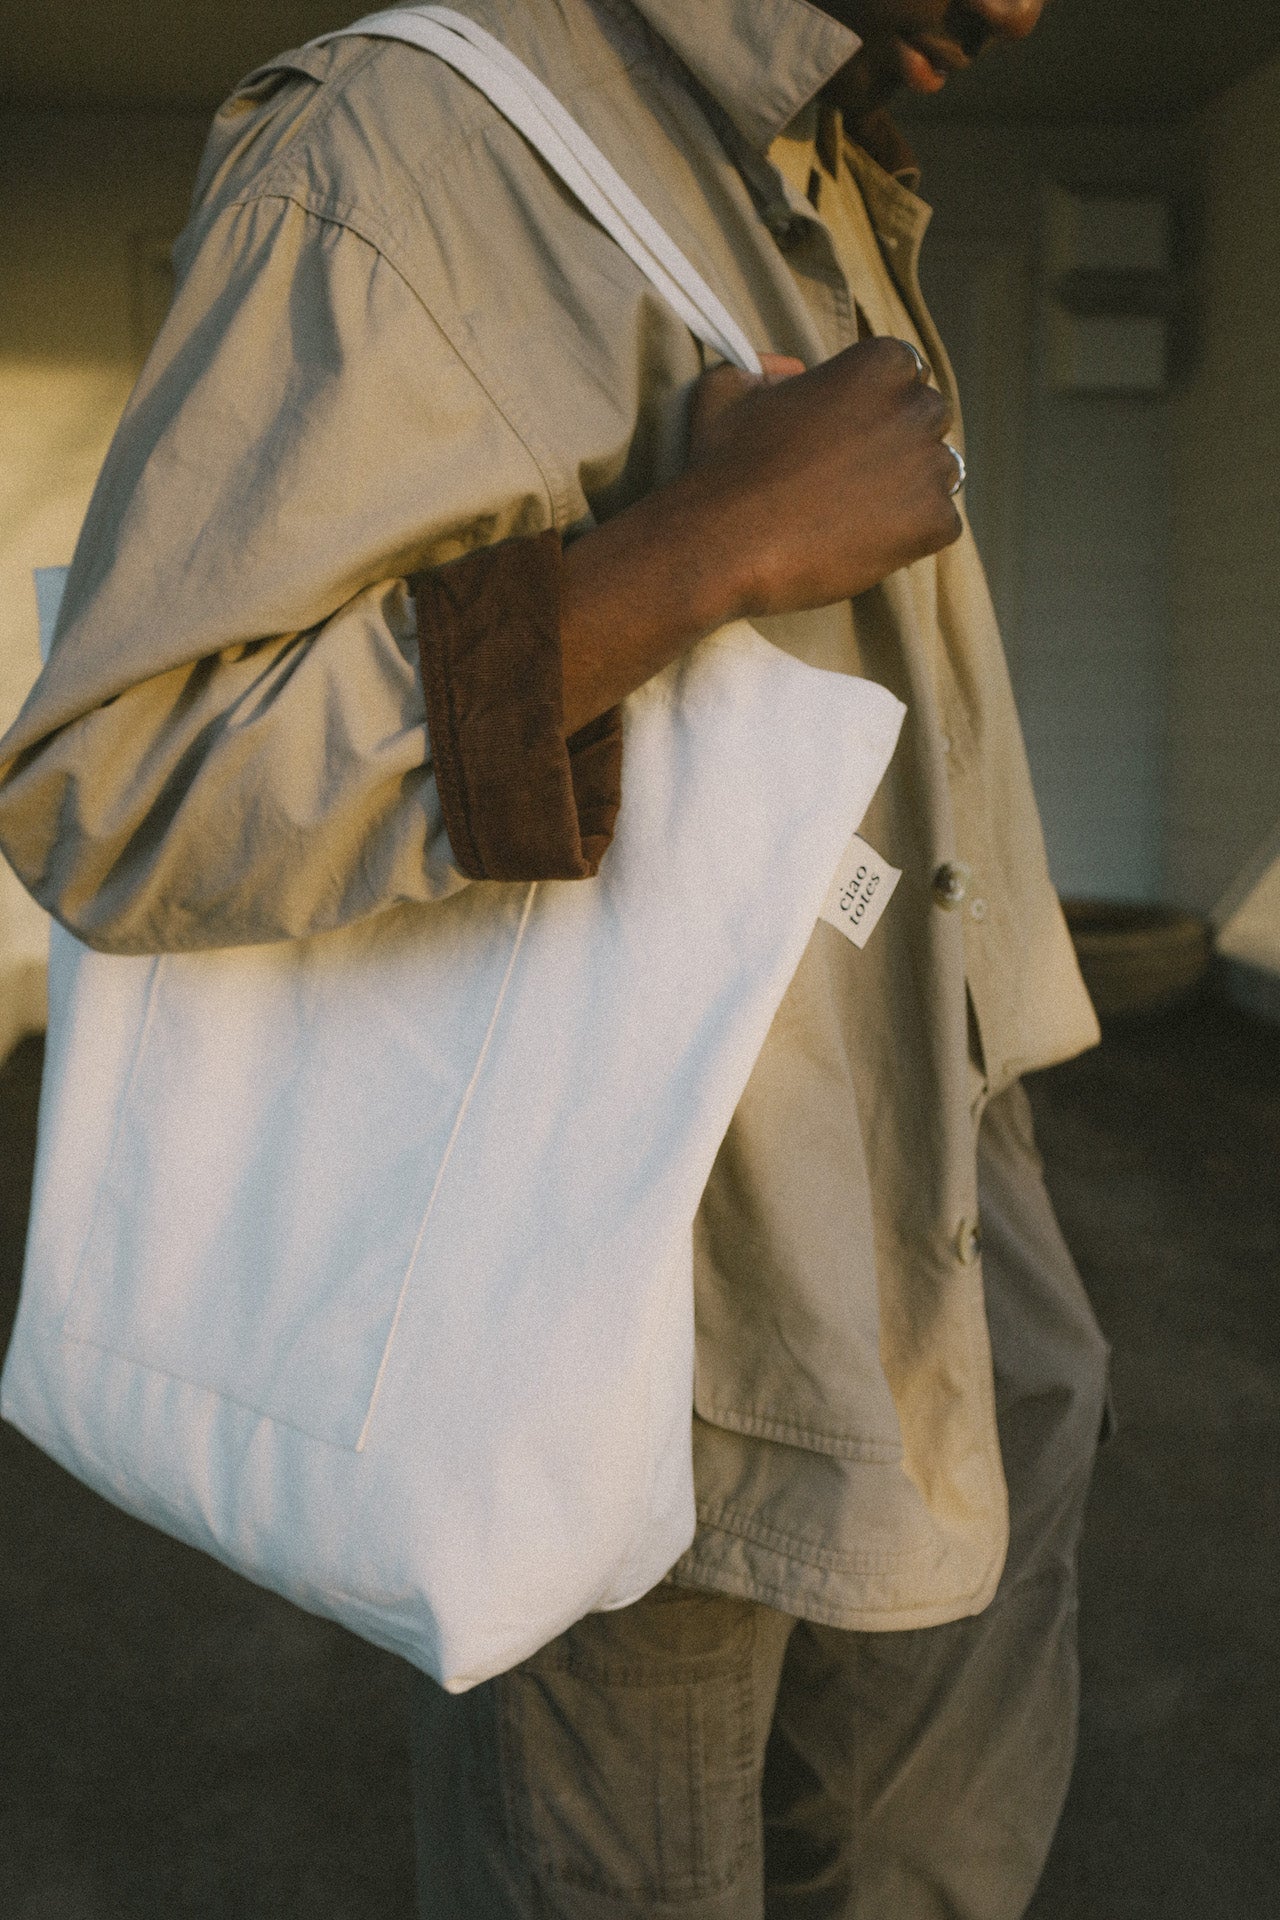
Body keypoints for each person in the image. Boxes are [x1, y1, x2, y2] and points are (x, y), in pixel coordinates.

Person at [0, 0, 1111, 1913]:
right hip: (644, 1285)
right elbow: (131, 786)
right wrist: (701, 549)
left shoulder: (825, 172)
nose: (1029, 8)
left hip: (957, 1233)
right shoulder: (418, 145)